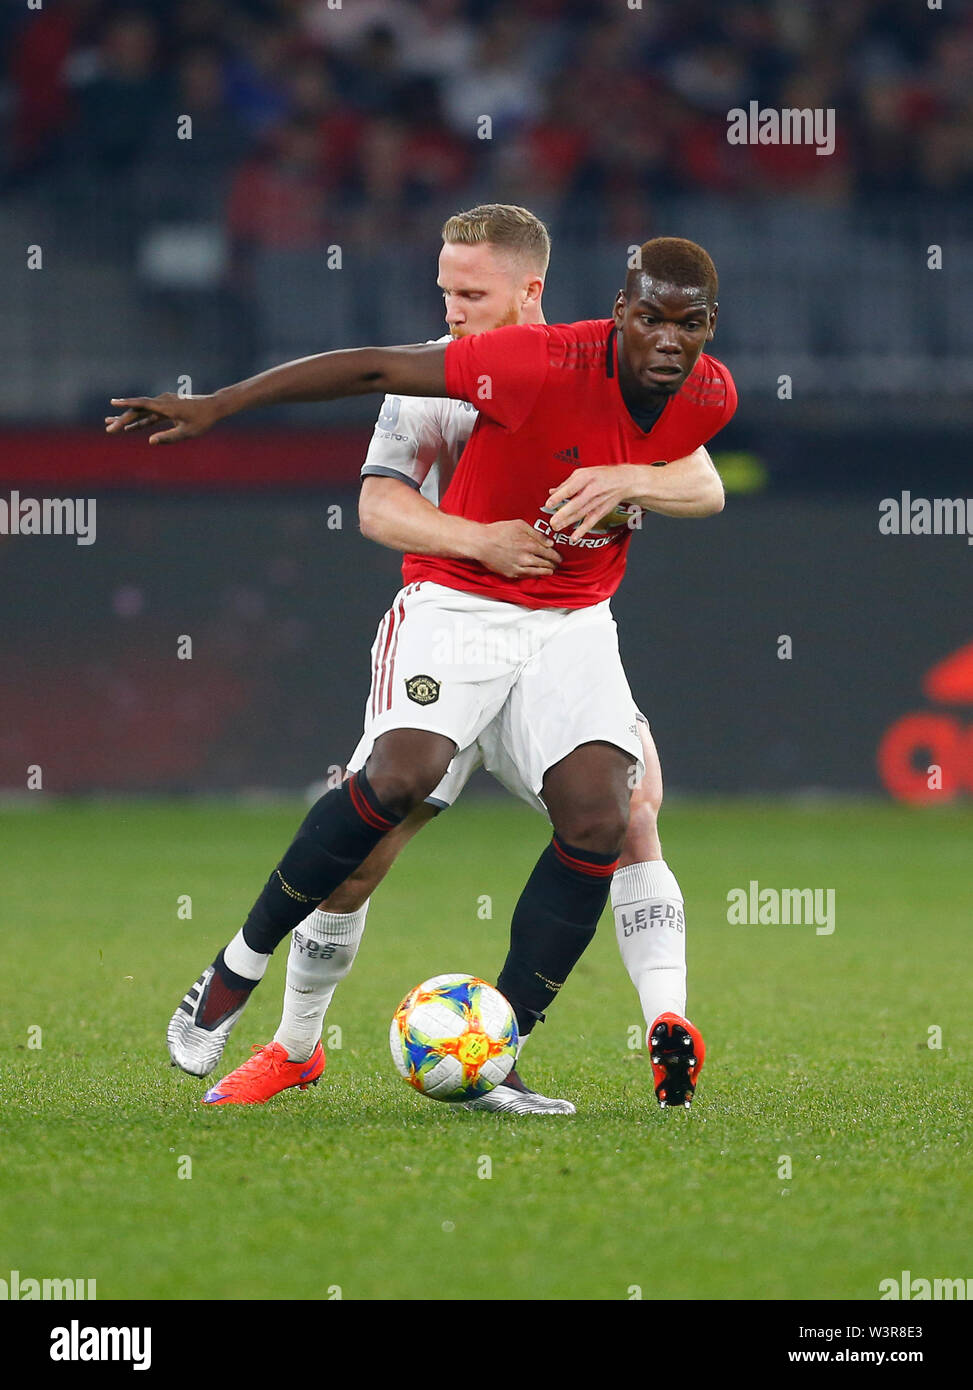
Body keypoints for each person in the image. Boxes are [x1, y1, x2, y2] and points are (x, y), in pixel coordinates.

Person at [107, 228, 736, 1114]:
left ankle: (506, 1051)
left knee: (613, 812)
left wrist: (623, 476)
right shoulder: (496, 367)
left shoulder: (689, 384)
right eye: (444, 290)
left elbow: (702, 478)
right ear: (623, 314)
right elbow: (374, 473)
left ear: (530, 289)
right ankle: (263, 1005)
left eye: (469, 295)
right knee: (387, 800)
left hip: (568, 627)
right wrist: (220, 404)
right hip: (457, 612)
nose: (450, 311)